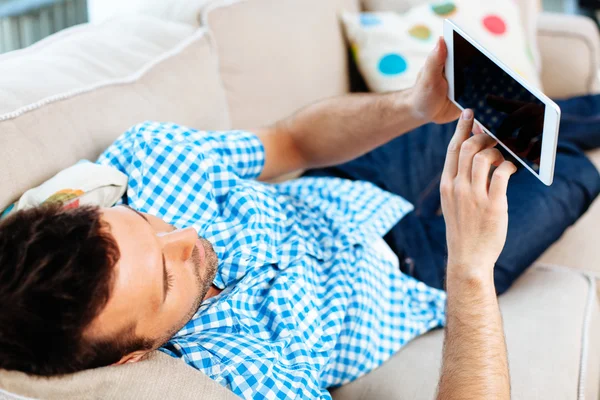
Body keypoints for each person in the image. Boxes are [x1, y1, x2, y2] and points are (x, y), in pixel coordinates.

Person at [0, 38, 598, 399]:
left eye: (144, 221)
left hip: (353, 184)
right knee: (571, 170)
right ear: (134, 356)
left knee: (522, 119)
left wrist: (409, 107)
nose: (186, 238)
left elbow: (292, 142)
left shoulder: (150, 162)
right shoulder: (239, 377)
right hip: (426, 271)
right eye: (165, 279)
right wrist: (471, 266)